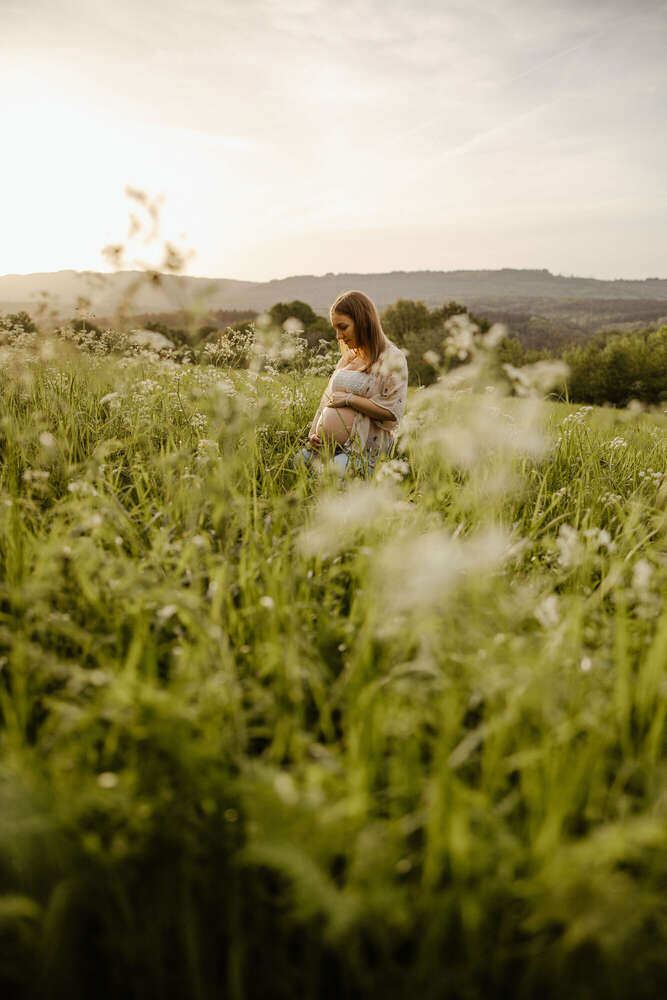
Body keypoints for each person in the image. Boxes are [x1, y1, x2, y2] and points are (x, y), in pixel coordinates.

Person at [295, 289, 409, 478]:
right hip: (326, 447)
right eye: (336, 329)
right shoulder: (348, 358)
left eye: (343, 327)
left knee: (325, 477)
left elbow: (392, 413)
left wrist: (350, 400)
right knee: (295, 465)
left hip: (363, 450)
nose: (339, 336)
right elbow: (327, 400)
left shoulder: (392, 358)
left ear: (363, 322)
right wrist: (314, 433)